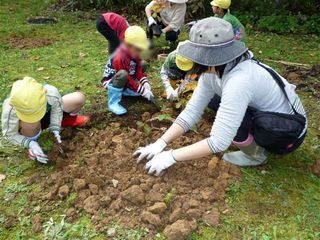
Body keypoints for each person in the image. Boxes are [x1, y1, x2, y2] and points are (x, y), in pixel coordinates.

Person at [133, 17, 307, 176]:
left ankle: (255, 156)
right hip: (270, 114)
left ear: (206, 56)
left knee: (231, 125)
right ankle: (250, 140)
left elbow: (218, 142)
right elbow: (192, 111)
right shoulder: (214, 70)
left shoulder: (240, 80)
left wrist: (171, 156)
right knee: (216, 101)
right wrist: (160, 143)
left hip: (287, 133)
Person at [1, 77, 90, 164]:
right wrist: (30, 143)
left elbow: (56, 109)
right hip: (28, 126)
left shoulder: (51, 93)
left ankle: (67, 121)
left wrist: (55, 127)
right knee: (31, 123)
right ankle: (34, 141)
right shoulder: (10, 109)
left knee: (79, 98)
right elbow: (10, 134)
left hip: (48, 114)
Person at [102, 26, 154, 115]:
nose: (139, 51)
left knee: (143, 63)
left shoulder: (134, 52)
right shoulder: (119, 57)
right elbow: (127, 76)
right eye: (137, 49)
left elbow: (138, 69)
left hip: (127, 76)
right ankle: (113, 103)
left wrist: (144, 82)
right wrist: (141, 90)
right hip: (113, 81)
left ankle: (127, 90)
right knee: (123, 74)